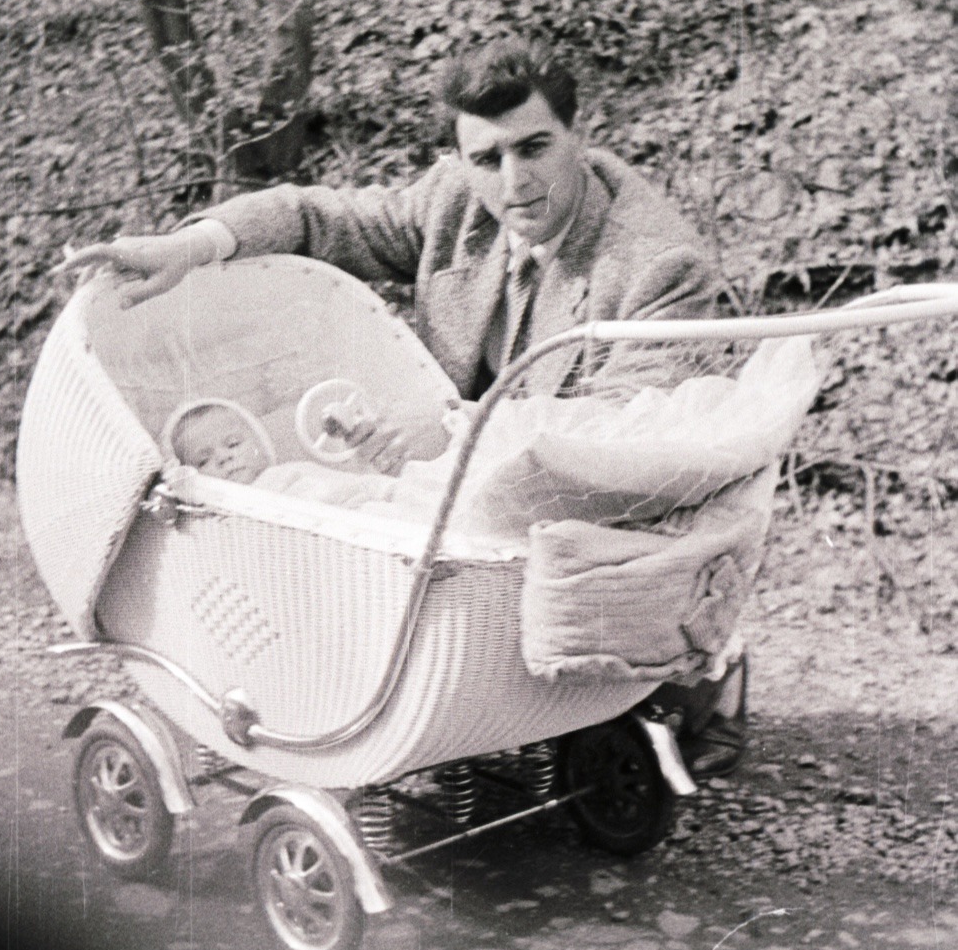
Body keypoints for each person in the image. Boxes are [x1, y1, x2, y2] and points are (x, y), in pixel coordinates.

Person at [61, 40, 745, 774]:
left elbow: (616, 431)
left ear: (580, 133)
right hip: (475, 486)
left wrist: (449, 437)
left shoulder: (656, 262)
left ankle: (699, 682)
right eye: (486, 159)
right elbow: (312, 217)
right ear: (460, 160)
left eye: (534, 147)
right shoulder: (456, 203)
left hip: (592, 492)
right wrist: (192, 246)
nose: (514, 183)